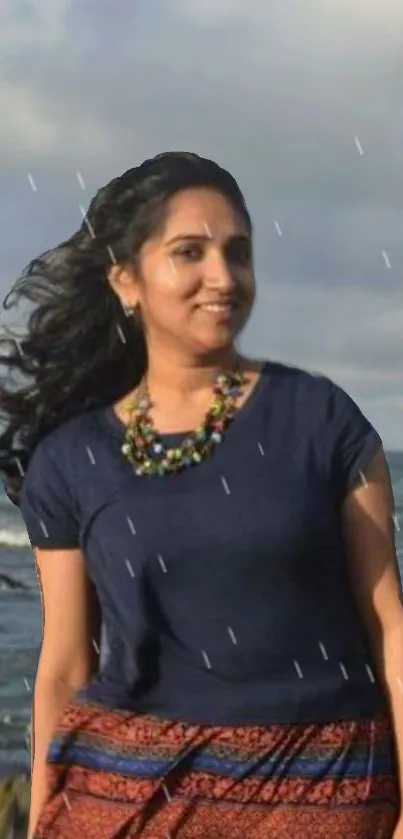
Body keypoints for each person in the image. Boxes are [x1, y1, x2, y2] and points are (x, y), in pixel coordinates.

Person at [0, 151, 402, 839]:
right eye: (190, 251)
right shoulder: (70, 460)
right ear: (125, 280)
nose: (222, 276)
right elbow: (65, 664)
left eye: (237, 252)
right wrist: (41, 821)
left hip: (320, 791)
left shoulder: (321, 422)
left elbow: (389, 628)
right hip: (127, 797)